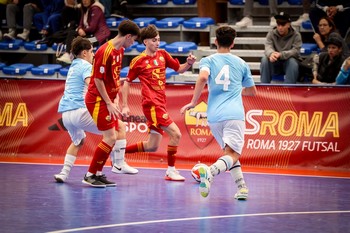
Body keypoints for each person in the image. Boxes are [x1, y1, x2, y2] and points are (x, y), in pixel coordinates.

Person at [180, 25, 257, 199]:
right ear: (233, 44)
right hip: (234, 115)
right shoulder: (242, 63)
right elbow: (252, 91)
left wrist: (193, 102)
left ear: (215, 42)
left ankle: (242, 188)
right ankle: (211, 172)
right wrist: (237, 90)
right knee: (233, 154)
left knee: (229, 154)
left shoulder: (208, 60)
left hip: (214, 117)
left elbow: (202, 77)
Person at [54, 36, 138, 183]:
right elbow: (93, 84)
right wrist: (114, 91)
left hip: (66, 115)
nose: (93, 55)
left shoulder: (73, 66)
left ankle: (63, 173)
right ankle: (118, 164)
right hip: (79, 110)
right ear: (85, 53)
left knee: (78, 142)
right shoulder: (86, 66)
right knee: (117, 129)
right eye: (92, 52)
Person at [121, 24, 196, 181]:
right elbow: (127, 82)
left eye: (159, 40)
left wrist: (188, 63)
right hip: (151, 105)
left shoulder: (163, 54)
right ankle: (171, 170)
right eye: (154, 40)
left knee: (152, 146)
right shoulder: (138, 61)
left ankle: (117, 153)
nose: (157, 43)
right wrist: (125, 105)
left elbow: (180, 69)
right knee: (176, 134)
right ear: (145, 42)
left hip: (161, 103)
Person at [83, 19, 140, 188]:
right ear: (128, 36)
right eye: (133, 40)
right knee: (110, 136)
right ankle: (90, 174)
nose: (133, 43)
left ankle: (99, 173)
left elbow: (111, 76)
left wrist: (115, 93)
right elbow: (98, 80)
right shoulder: (104, 51)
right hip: (98, 99)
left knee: (115, 133)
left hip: (108, 99)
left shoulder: (120, 50)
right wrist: (108, 102)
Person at [57, 0, 110, 65]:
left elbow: (93, 27)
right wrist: (79, 29)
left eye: (86, 0)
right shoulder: (84, 9)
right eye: (83, 0)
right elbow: (80, 24)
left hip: (98, 37)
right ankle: (67, 55)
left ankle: (75, 59)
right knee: (72, 33)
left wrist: (84, 31)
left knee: (82, 42)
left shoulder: (96, 9)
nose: (84, 1)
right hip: (89, 33)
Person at [260, 12, 302, 84]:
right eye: (278, 25)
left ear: (288, 25)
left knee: (292, 61)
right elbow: (268, 47)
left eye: (283, 25)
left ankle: (289, 90)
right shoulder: (271, 33)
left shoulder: (296, 35)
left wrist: (281, 54)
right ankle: (264, 87)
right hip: (275, 63)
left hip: (288, 63)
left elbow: (295, 51)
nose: (280, 28)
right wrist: (271, 54)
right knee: (264, 59)